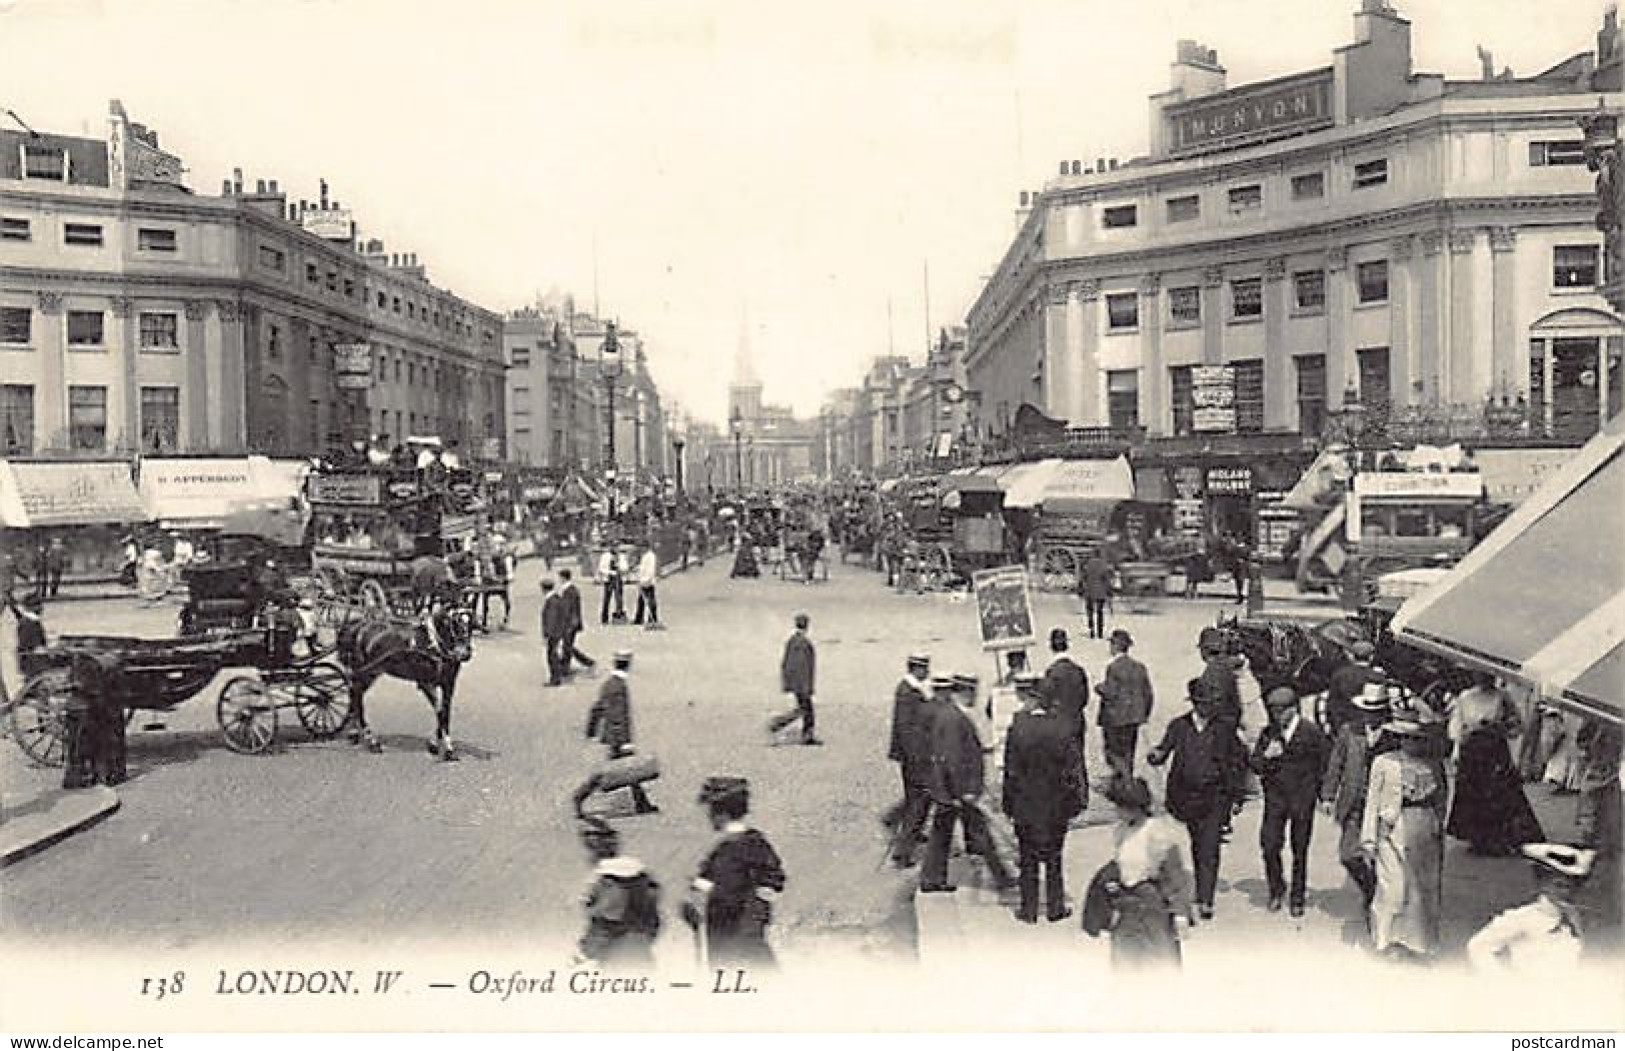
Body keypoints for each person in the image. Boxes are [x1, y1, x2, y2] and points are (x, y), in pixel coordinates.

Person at [1146, 678, 1248, 919]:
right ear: (1194, 703)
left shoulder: (1224, 727)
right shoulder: (1179, 726)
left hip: (1215, 796)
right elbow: (1163, 750)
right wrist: (1155, 755)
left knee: (1210, 845)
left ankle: (1206, 899)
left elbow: (1238, 761)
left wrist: (1238, 794)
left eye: (1210, 703)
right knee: (1197, 842)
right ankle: (1202, 889)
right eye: (1202, 703)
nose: (1207, 708)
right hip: (1186, 796)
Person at [1082, 776, 1195, 971]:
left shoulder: (1157, 833)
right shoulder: (1122, 831)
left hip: (1152, 908)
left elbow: (1176, 875)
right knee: (1125, 963)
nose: (1117, 812)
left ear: (1135, 808)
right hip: (1127, 908)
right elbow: (1122, 863)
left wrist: (1180, 912)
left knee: (1157, 963)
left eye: (1120, 807)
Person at [1361, 719, 1448, 961]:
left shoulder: (1433, 764)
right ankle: (1386, 941)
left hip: (1424, 827)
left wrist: (1439, 826)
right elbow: (1372, 801)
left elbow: (1442, 797)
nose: (1412, 743)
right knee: (1393, 887)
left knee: (1422, 890)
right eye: (1407, 738)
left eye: (1417, 739)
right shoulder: (1384, 763)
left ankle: (1419, 944)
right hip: (1393, 828)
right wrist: (1368, 838)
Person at [1001, 671, 1085, 923]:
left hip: (1025, 804)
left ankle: (1028, 910)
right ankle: (1055, 907)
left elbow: (1011, 770)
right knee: (1054, 857)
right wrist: (1075, 803)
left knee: (1027, 858)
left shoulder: (1018, 725)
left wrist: (1008, 803)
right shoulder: (1062, 727)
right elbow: (1073, 770)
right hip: (1056, 805)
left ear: (1034, 699)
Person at [921, 674, 1015, 894]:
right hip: (957, 790)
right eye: (974, 692)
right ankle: (1001, 877)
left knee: (946, 834)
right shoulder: (954, 718)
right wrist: (963, 791)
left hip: (950, 789)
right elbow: (953, 757)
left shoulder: (950, 714)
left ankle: (931, 879)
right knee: (974, 833)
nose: (976, 697)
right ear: (966, 692)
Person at [682, 776, 787, 968]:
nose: (709, 817)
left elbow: (728, 890)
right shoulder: (755, 842)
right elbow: (774, 879)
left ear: (720, 812)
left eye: (711, 812)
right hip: (748, 932)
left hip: (733, 934)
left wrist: (699, 886)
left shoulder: (731, 849)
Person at [1251, 686, 1332, 917]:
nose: (1276, 715)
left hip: (1302, 800)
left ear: (1293, 708)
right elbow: (1255, 764)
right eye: (1273, 710)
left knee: (1300, 849)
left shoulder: (1311, 732)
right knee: (1269, 845)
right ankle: (1276, 889)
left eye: (1280, 711)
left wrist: (1324, 795)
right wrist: (1266, 758)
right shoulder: (1269, 733)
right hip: (1275, 800)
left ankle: (1297, 896)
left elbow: (1324, 765)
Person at [1447, 673, 1544, 856]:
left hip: (1494, 749)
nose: (1484, 680)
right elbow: (1456, 725)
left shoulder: (1502, 696)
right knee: (1473, 792)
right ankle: (1478, 837)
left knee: (1499, 792)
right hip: (1472, 750)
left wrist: (1500, 726)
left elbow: (1516, 723)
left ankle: (1498, 836)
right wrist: (1457, 748)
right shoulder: (1465, 697)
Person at [1319, 685, 1394, 910]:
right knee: (1348, 855)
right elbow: (1336, 763)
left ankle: (1381, 903)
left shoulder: (1393, 734)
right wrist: (1328, 795)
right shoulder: (1349, 731)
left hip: (1381, 803)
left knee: (1383, 855)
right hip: (1354, 802)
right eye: (1367, 710)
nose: (1370, 715)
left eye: (1376, 710)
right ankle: (1370, 886)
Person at [1467, 842, 1595, 973]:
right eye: (1559, 885)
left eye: (1574, 887)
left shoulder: (1576, 920)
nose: (1567, 893)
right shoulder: (1523, 917)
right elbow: (1478, 947)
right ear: (1542, 884)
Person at [573, 650, 658, 817]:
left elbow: (597, 707)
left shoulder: (608, 684)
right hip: (617, 738)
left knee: (628, 770)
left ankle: (642, 803)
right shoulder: (619, 687)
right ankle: (580, 796)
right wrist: (624, 741)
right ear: (628, 664)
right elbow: (618, 716)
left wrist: (591, 729)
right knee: (624, 770)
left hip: (611, 736)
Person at [575, 818, 662, 969]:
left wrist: (585, 954)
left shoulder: (605, 879)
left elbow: (607, 920)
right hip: (641, 951)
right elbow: (654, 919)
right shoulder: (641, 873)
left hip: (615, 954)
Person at [883, 653, 935, 868]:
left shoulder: (909, 689)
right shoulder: (908, 693)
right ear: (917, 668)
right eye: (925, 668)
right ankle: (903, 851)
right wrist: (920, 759)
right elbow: (907, 730)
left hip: (911, 756)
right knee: (919, 801)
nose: (928, 672)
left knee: (915, 798)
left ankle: (894, 818)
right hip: (914, 758)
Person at [1095, 629, 1154, 780]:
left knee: (1113, 751)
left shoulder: (1113, 667)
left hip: (1115, 719)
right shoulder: (1139, 667)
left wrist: (1099, 688)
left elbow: (1112, 693)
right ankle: (1126, 779)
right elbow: (1148, 694)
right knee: (1129, 751)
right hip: (1133, 718)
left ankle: (1122, 780)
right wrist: (1144, 714)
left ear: (1115, 646)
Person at [1040, 627, 1090, 798]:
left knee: (1060, 761)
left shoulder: (1052, 673)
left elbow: (1045, 700)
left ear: (1051, 646)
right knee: (1079, 758)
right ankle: (1082, 794)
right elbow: (1085, 698)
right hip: (1077, 719)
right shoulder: (1078, 670)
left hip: (1059, 722)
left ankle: (1065, 795)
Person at [769, 613, 819, 745]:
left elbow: (786, 663)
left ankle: (781, 725)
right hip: (802, 684)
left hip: (797, 683)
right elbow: (805, 667)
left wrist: (787, 682)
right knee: (806, 710)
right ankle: (779, 724)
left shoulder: (792, 641)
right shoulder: (803, 643)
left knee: (803, 709)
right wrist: (807, 686)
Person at [1324, 640, 1386, 734]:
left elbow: (1332, 702)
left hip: (1343, 725)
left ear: (1352, 656)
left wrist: (1332, 723)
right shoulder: (1378, 677)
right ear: (1371, 657)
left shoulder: (1339, 674)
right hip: (1370, 729)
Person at [555, 567, 595, 675]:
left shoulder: (569, 591)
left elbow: (569, 609)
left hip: (570, 623)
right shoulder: (570, 590)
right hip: (571, 622)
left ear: (563, 578)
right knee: (567, 646)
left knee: (567, 646)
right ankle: (566, 666)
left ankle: (586, 662)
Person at [1078, 549, 1114, 640]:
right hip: (1100, 592)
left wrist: (1080, 589)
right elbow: (1106, 579)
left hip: (1089, 591)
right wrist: (1109, 591)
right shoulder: (1103, 565)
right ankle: (1100, 632)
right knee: (1100, 612)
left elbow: (1083, 578)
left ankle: (1092, 631)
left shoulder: (1088, 565)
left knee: (1089, 612)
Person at [541, 578, 569, 687]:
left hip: (553, 633)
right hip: (559, 631)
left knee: (552, 656)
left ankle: (555, 678)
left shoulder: (551, 601)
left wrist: (547, 634)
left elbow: (551, 619)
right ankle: (557, 675)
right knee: (554, 654)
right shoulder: (557, 598)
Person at [598, 547, 625, 624]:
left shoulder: (621, 556)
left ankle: (618, 616)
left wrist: (620, 567)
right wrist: (610, 572)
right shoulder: (605, 556)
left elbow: (625, 567)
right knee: (606, 599)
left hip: (618, 579)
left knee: (619, 598)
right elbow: (601, 568)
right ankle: (604, 617)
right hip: (608, 580)